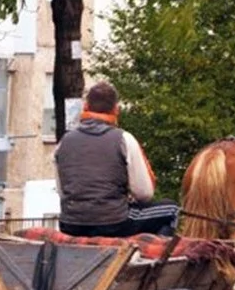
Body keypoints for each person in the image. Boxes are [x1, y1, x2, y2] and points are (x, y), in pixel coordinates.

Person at [53, 81, 179, 238]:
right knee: (171, 210)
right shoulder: (123, 139)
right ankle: (154, 255)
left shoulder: (64, 142)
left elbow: (61, 190)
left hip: (71, 224)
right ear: (116, 110)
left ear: (85, 107)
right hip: (113, 223)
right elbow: (144, 193)